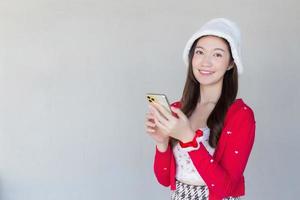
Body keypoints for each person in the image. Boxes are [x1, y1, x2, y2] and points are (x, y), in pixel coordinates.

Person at [145, 18, 256, 200]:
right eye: (200, 52)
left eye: (217, 55)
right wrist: (161, 143)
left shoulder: (241, 116)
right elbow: (165, 179)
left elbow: (225, 188)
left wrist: (188, 139)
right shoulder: (178, 110)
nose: (206, 62)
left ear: (230, 63)